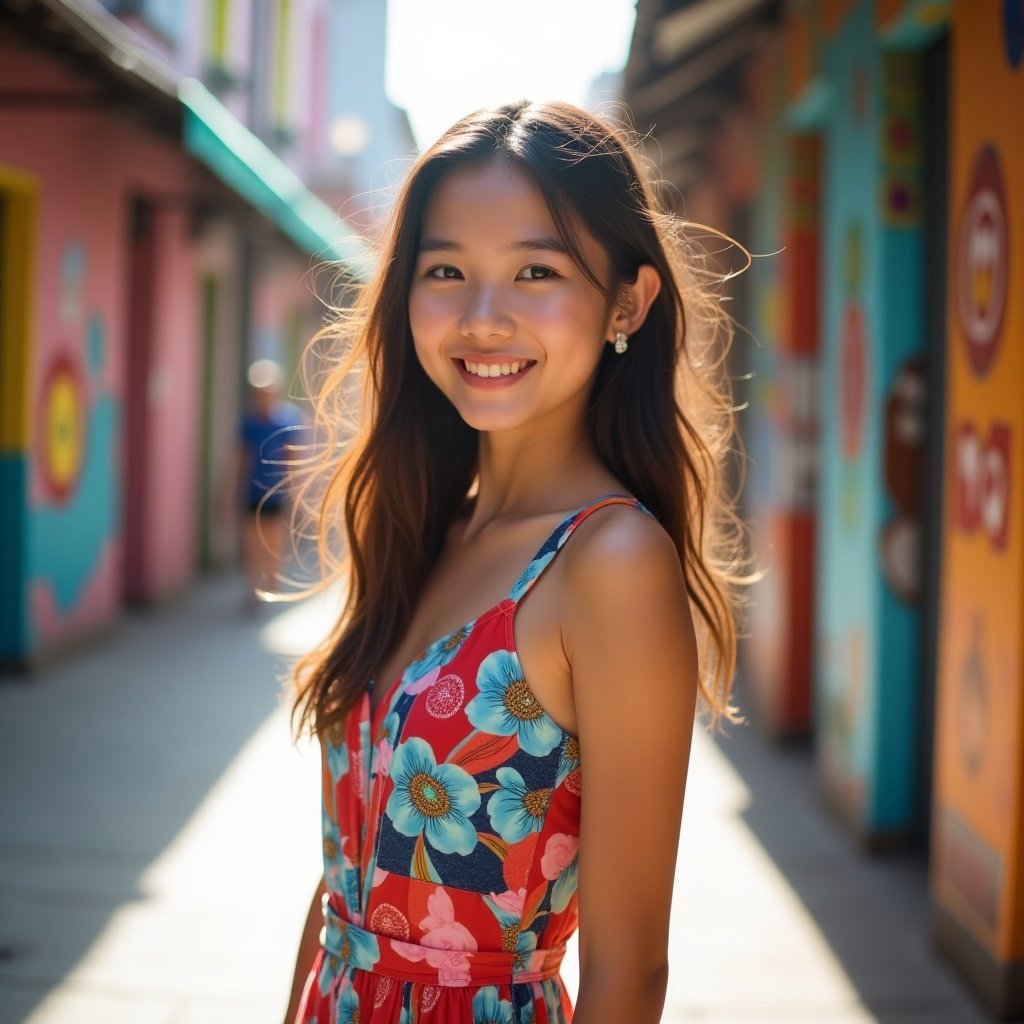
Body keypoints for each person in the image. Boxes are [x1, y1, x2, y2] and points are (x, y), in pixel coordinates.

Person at [283, 100, 748, 1024]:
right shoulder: (424, 527)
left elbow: (629, 978)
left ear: (628, 301)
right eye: (446, 270)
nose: (482, 318)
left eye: (537, 270)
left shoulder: (608, 564)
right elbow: (342, 889)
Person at [232, 358, 304, 611]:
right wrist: (233, 490)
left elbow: (292, 459)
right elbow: (242, 458)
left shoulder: (287, 419)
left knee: (273, 541)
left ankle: (272, 586)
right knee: (252, 541)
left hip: (276, 491)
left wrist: (295, 492)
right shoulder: (249, 422)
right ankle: (253, 588)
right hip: (253, 489)